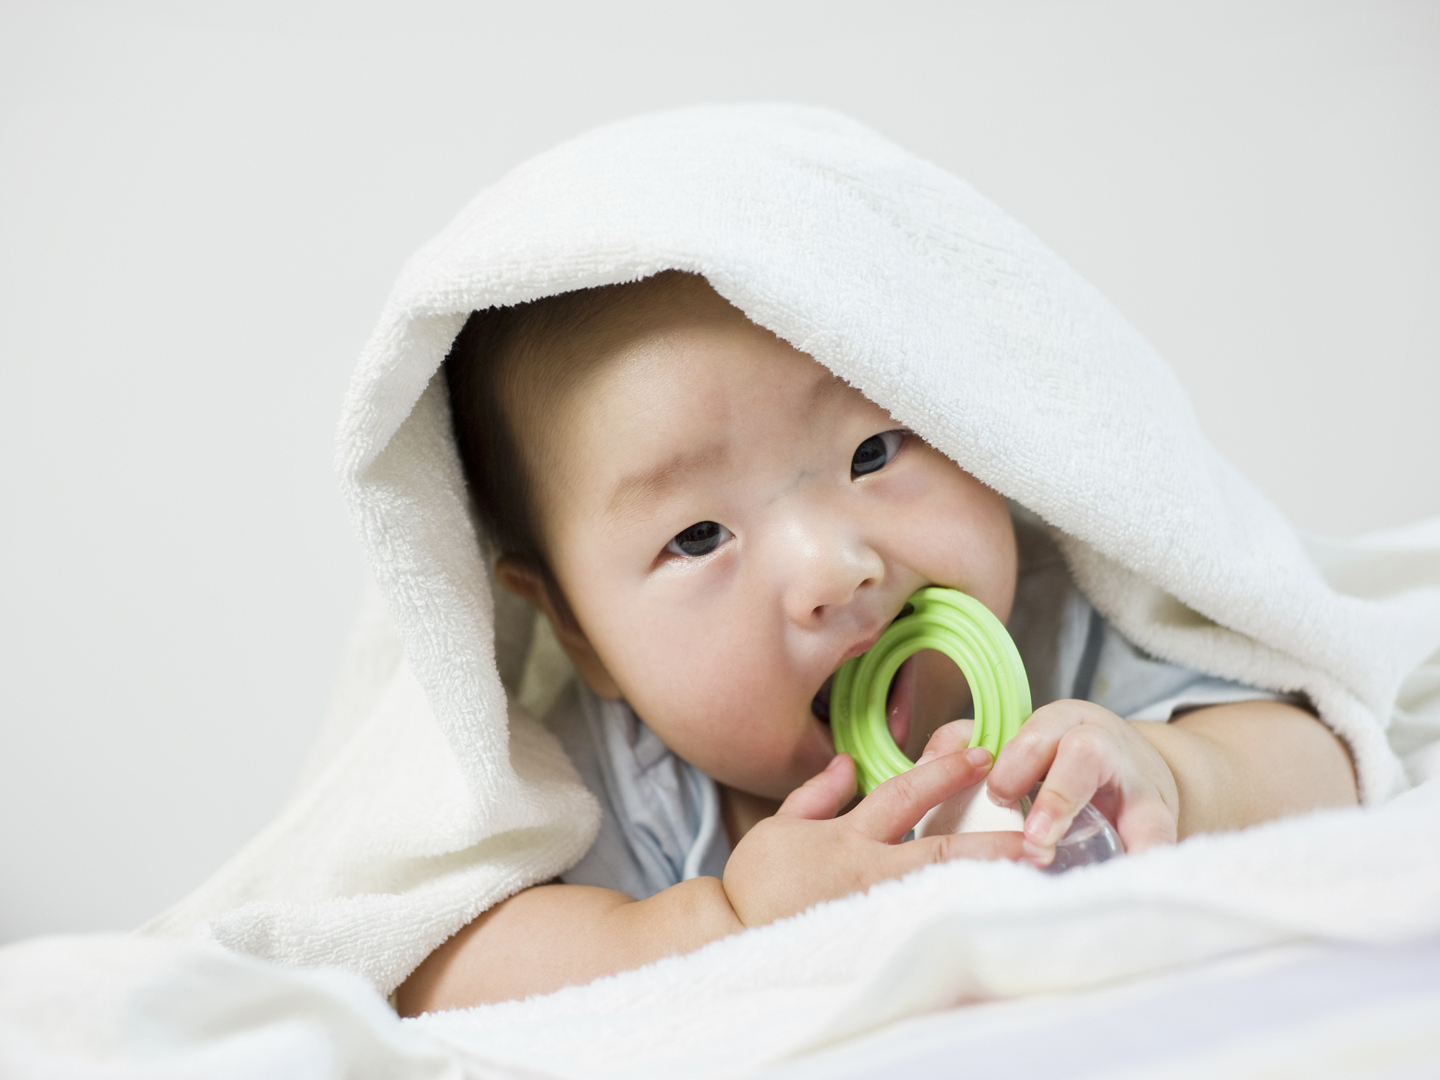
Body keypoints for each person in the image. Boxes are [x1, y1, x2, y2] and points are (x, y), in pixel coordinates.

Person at [394, 270, 1358, 1014]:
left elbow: (1321, 759)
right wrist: (724, 919)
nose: (833, 568)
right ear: (577, 628)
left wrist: (1176, 776)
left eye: (873, 452)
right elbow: (434, 970)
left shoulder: (1065, 635)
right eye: (697, 537)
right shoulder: (614, 774)